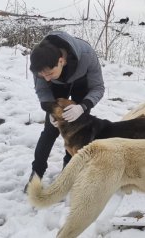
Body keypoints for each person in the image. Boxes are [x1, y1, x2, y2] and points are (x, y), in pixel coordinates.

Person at [25, 30, 104, 191]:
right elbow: (42, 90)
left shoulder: (87, 55)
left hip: (81, 83)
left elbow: (98, 87)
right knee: (50, 130)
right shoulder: (39, 62)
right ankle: (36, 176)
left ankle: (67, 175)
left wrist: (83, 107)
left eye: (49, 73)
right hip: (56, 88)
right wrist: (49, 110)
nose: (46, 77)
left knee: (77, 132)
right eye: (42, 75)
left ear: (61, 61)